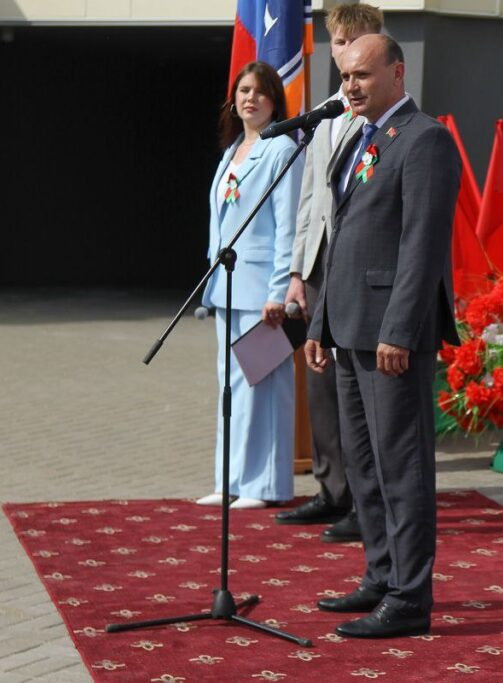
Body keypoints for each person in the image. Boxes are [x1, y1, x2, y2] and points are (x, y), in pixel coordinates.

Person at [304, 34, 460, 638]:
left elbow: (421, 245)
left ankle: (409, 597)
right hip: (347, 330)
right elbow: (340, 240)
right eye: (345, 77)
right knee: (364, 466)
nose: (350, 87)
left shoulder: (425, 140)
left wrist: (399, 328)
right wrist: (319, 323)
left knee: (402, 467)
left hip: (391, 335)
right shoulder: (356, 140)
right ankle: (378, 574)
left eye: (362, 75)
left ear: (398, 73)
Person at [274, 3, 384, 543]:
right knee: (320, 384)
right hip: (319, 263)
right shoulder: (323, 113)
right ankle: (330, 487)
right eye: (336, 43)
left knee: (356, 392)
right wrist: (297, 270)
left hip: (359, 270)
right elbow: (310, 199)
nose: (342, 52)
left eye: (353, 42)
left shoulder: (385, 114)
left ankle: (367, 500)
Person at [196, 61, 304, 510]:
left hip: (262, 291)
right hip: (227, 287)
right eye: (243, 91)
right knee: (232, 387)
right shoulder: (233, 150)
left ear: (274, 100)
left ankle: (264, 484)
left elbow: (288, 228)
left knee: (262, 385)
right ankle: (231, 480)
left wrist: (278, 292)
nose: (250, 99)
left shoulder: (282, 149)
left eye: (260, 91)